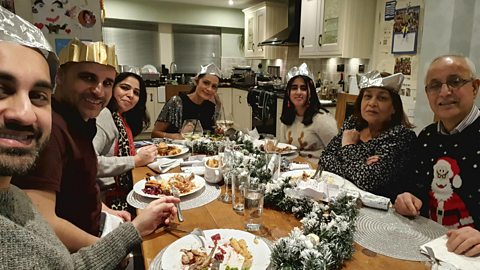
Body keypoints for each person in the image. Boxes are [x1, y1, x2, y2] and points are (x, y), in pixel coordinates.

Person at [0, 7, 179, 268]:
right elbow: (45, 222)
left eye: (107, 82)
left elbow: (79, 185)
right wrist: (112, 246)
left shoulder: (80, 122)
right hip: (87, 244)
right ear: (60, 77)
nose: (99, 91)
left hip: (98, 226)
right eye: (87, 78)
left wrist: (105, 211)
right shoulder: (49, 132)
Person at [395, 55, 480, 257]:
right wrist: (406, 198)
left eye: (455, 81)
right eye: (434, 85)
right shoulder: (427, 137)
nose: (444, 92)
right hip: (430, 249)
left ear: (475, 88)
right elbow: (413, 188)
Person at [319, 71, 416, 201]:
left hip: (380, 213)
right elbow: (325, 159)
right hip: (340, 199)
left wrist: (347, 147)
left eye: (382, 98)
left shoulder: (401, 137)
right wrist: (362, 164)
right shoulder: (353, 123)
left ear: (394, 107)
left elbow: (367, 181)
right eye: (368, 96)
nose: (372, 103)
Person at [93, 72, 157, 212]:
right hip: (106, 199)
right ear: (112, 88)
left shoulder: (120, 117)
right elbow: (90, 163)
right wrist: (135, 160)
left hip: (119, 191)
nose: (130, 95)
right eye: (124, 87)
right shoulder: (103, 115)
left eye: (136, 92)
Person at [279, 63, 338, 162]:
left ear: (311, 93)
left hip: (316, 172)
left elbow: (337, 153)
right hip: (291, 170)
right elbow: (283, 150)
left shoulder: (322, 120)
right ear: (288, 93)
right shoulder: (287, 118)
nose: (298, 92)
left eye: (303, 88)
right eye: (294, 88)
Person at [151, 63, 220, 139]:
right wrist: (176, 136)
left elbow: (208, 134)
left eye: (214, 86)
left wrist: (217, 132)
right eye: (206, 83)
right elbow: (155, 134)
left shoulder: (211, 107)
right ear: (196, 82)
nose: (209, 89)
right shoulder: (177, 102)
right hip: (176, 149)